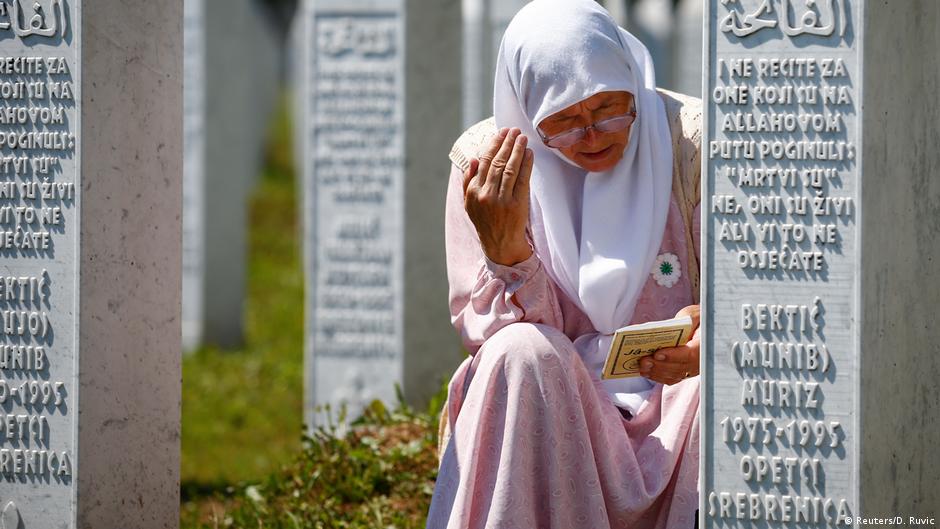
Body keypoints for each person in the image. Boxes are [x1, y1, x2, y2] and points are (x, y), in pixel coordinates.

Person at [427, 0, 702, 527]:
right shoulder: (487, 171)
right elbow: (486, 343)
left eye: (608, 109)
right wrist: (508, 252)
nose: (593, 136)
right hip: (553, 411)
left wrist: (703, 337)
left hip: (675, 407)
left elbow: (752, 296)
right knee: (519, 352)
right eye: (565, 122)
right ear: (528, 116)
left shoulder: (691, 144)